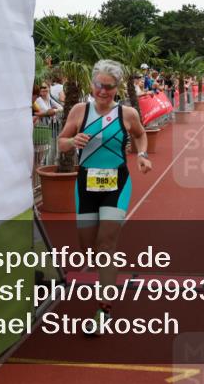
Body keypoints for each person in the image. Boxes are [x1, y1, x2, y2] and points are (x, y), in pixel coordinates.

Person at [57, 59, 150, 334]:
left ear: (117, 88)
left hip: (116, 183)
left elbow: (140, 135)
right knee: (88, 249)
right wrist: (72, 142)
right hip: (86, 184)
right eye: (99, 85)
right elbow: (61, 142)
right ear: (92, 84)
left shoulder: (127, 113)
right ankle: (106, 275)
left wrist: (142, 155)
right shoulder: (79, 110)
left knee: (106, 244)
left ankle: (104, 309)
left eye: (109, 87)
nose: (103, 91)